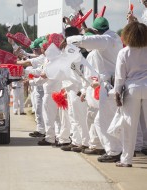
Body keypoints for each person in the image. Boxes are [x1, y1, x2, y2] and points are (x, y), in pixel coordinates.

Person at [67, 17, 123, 162]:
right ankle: (117, 149)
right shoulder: (114, 37)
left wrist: (69, 39)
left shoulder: (106, 39)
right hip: (111, 84)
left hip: (108, 86)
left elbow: (85, 41)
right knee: (107, 120)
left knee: (103, 120)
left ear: (97, 32)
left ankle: (114, 151)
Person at [114, 22, 147, 167]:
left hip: (131, 89)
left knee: (129, 126)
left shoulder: (124, 52)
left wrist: (117, 92)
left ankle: (126, 160)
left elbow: (120, 77)